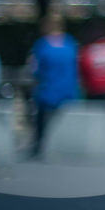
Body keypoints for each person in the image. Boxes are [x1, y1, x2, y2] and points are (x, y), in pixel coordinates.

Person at [27, 13, 80, 158]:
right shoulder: (70, 42)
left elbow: (35, 70)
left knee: (41, 121)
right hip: (69, 91)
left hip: (48, 91)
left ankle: (39, 147)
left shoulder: (42, 45)